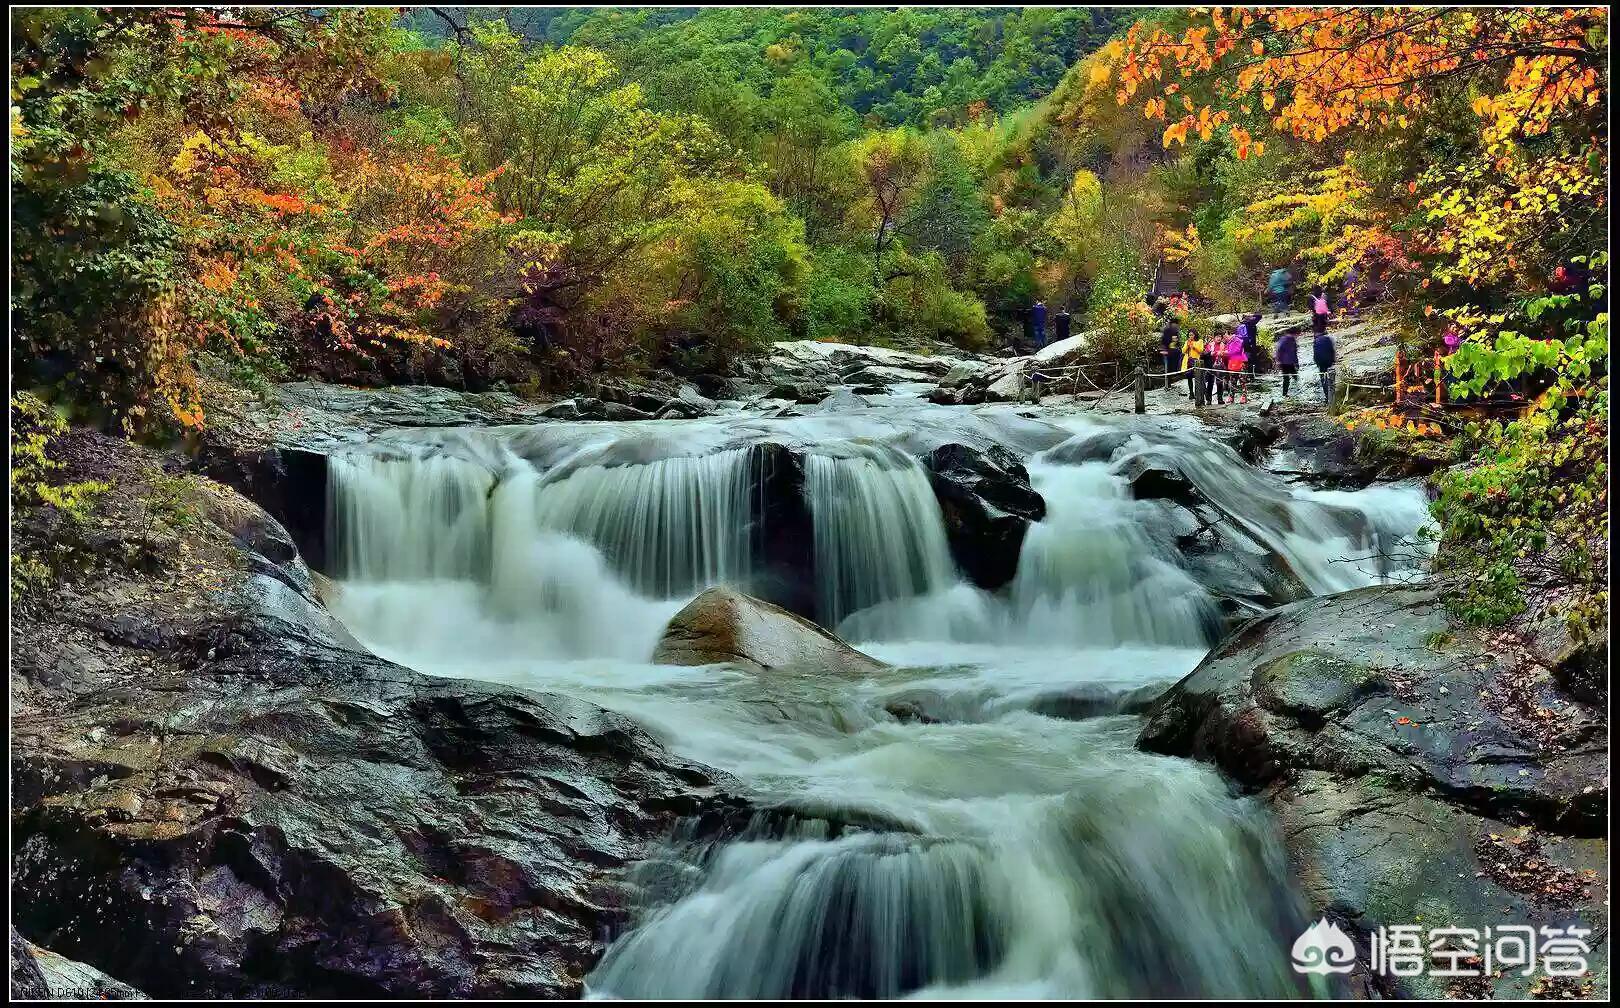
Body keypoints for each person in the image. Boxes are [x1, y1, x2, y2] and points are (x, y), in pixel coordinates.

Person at [1313, 326, 1337, 407]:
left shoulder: (1316, 341)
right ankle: (1332, 397)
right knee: (1330, 379)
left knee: (1324, 380)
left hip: (1321, 364)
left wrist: (1317, 363)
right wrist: (1333, 360)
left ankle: (1327, 398)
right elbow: (1332, 350)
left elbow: (1316, 354)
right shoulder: (1328, 339)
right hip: (1329, 362)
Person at [1225, 327, 1249, 404]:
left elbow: (1236, 350)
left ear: (1229, 333)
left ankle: (1244, 396)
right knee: (1233, 381)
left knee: (1242, 381)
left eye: (1225, 334)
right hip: (1232, 363)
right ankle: (1231, 396)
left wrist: (1225, 352)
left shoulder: (1238, 340)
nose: (1224, 336)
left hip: (1240, 362)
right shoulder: (1228, 342)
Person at [1274, 327, 1300, 397]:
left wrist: (1296, 362)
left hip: (1291, 362)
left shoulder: (1292, 340)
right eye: (1296, 334)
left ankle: (1297, 390)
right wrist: (1278, 361)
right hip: (1284, 363)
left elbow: (1295, 352)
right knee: (1286, 379)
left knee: (1295, 376)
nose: (1297, 336)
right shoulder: (1284, 340)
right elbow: (1278, 351)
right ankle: (1284, 394)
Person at [1182, 329, 1204, 399]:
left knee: (1197, 377)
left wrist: (1193, 347)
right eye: (1189, 335)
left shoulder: (1200, 341)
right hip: (1188, 361)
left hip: (1196, 361)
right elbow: (1183, 351)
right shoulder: (1187, 342)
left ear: (1195, 335)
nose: (1190, 336)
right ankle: (1191, 393)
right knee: (1189, 377)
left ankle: (1198, 393)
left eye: (1192, 335)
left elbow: (1201, 350)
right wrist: (1187, 345)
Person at [1160, 316, 1181, 385]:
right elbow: (1164, 341)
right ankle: (1168, 382)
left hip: (1174, 351)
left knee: (1173, 366)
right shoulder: (1167, 330)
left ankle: (1172, 378)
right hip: (1167, 351)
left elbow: (1177, 341)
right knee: (1168, 367)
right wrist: (1164, 349)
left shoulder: (1175, 330)